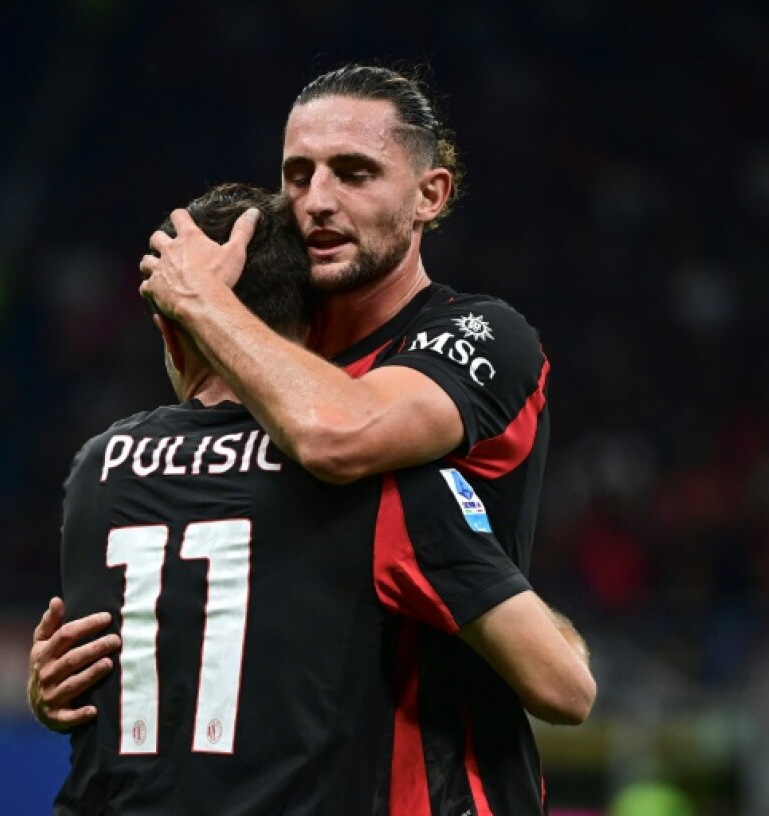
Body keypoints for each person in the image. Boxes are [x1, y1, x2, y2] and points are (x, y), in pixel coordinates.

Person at [46, 182, 593, 815]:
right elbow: (565, 688)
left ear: (170, 334)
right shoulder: (381, 482)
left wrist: (44, 693)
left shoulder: (97, 469)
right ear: (316, 331)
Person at [134, 64, 563, 812]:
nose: (317, 202)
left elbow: (338, 433)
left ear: (430, 194)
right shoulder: (262, 353)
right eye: (297, 175)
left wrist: (206, 307)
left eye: (355, 173)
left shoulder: (487, 335)